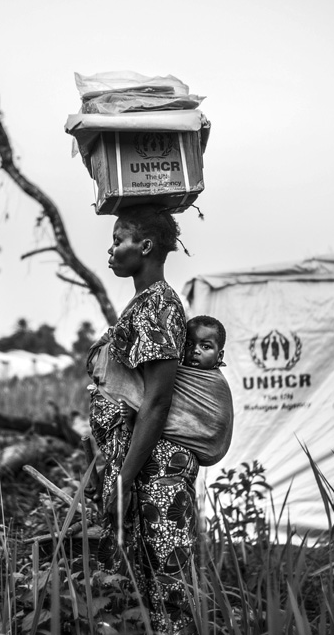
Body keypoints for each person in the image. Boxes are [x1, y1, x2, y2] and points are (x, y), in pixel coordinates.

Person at [87, 203, 197, 634]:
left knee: (166, 593)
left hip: (157, 470)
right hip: (142, 467)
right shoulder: (144, 303)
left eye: (118, 241)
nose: (111, 251)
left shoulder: (157, 306)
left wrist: (125, 481)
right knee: (143, 593)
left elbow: (156, 402)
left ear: (145, 246)